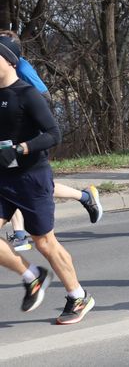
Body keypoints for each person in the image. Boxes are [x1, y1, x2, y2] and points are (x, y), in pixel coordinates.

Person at [0, 35, 94, 324]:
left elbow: (54, 134)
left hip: (31, 177)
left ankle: (78, 296)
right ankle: (32, 276)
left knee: (44, 242)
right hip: (2, 177)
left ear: (9, 61)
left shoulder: (27, 94)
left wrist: (22, 148)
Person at [0, 30, 102, 252]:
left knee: (32, 183)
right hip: (11, 135)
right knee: (20, 182)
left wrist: (25, 130)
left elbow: (42, 97)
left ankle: (20, 235)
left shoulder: (22, 68)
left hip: (30, 128)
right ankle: (85, 197)